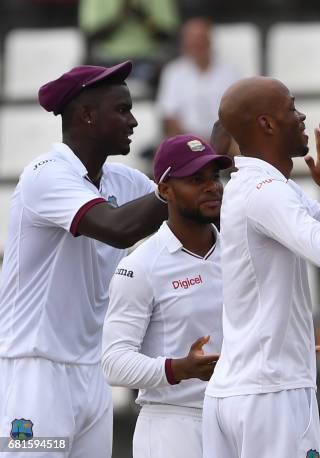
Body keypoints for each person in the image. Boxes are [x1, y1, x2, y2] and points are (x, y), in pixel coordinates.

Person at [201, 77, 320, 457]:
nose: (301, 117)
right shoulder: (266, 192)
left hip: (240, 391)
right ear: (266, 124)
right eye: (291, 109)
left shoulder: (260, 186)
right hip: (272, 392)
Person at [0, 61, 168, 457]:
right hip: (34, 372)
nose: (134, 122)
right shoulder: (45, 174)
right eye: (122, 110)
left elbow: (180, 209)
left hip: (91, 373)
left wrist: (206, 167)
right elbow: (117, 226)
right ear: (88, 115)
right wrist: (175, 188)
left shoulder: (122, 180)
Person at [102, 134, 231, 458]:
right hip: (172, 426)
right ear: (164, 189)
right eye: (195, 179)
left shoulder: (240, 252)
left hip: (238, 418)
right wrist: (179, 368)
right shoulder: (140, 266)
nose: (212, 186)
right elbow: (114, 364)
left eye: (214, 176)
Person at [157, 18, 240, 140]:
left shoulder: (231, 71)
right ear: (184, 42)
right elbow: (168, 117)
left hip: (224, 142)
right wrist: (196, 141)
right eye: (192, 39)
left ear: (210, 39)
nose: (197, 44)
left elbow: (238, 114)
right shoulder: (173, 72)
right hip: (187, 142)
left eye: (201, 38)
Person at [79, 0, 179, 85]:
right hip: (107, 60)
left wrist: (143, 17)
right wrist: (120, 17)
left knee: (170, 71)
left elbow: (168, 35)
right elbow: (91, 34)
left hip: (151, 59)